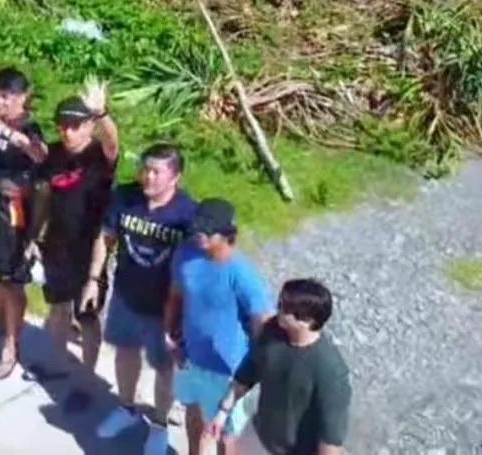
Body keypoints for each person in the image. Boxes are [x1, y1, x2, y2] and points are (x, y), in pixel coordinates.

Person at [94, 143, 200, 440]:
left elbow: (196, 265)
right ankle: (126, 407)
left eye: (156, 171)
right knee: (125, 354)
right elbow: (106, 238)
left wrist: (185, 313)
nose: (148, 177)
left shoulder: (188, 214)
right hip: (125, 295)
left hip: (165, 307)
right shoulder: (126, 197)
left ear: (175, 176)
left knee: (163, 367)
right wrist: (94, 278)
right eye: (145, 169)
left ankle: (159, 424)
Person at [168, 199, 276, 455]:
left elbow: (263, 321)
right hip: (191, 359)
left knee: (228, 435)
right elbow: (176, 293)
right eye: (197, 228)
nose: (199, 235)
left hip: (229, 370)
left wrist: (255, 372)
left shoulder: (241, 273)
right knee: (193, 413)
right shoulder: (185, 254)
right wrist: (169, 331)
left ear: (227, 234)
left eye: (208, 231)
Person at [34, 82, 121, 390]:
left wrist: (102, 113)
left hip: (91, 247)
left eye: (74, 125)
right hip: (57, 243)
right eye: (62, 126)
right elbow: (44, 197)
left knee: (86, 315)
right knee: (58, 308)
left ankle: (86, 377)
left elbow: (114, 143)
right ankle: (57, 364)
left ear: (89, 126)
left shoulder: (100, 156)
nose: (67, 132)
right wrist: (33, 235)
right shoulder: (54, 154)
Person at [211, 278, 352, 455]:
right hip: (259, 434)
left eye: (284, 309)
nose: (277, 311)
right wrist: (223, 412)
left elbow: (331, 436)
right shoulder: (273, 331)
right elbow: (248, 372)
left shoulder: (330, 371)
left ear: (306, 321)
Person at [0, 68, 49, 380]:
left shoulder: (28, 127)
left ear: (22, 98)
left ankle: (10, 348)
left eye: (6, 97)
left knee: (12, 280)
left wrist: (6, 133)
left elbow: (40, 153)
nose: (0, 102)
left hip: (14, 216)